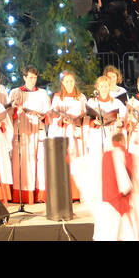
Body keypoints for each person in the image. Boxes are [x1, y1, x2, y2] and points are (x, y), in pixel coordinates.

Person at [8, 65, 50, 204]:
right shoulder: (16, 92)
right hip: (23, 129)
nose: (33, 80)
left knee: (40, 161)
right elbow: (9, 114)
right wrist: (16, 110)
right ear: (24, 77)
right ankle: (24, 195)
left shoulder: (42, 93)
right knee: (23, 162)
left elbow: (48, 113)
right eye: (30, 77)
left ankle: (40, 195)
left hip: (38, 128)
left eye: (35, 77)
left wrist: (43, 116)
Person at [49, 70, 87, 200]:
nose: (69, 83)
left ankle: (77, 193)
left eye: (71, 81)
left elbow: (86, 114)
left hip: (75, 132)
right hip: (63, 132)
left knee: (76, 160)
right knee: (64, 160)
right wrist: (61, 119)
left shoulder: (81, 97)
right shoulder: (57, 97)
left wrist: (79, 118)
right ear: (62, 83)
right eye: (66, 81)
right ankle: (64, 193)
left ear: (75, 82)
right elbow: (53, 115)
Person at [84, 75, 125, 161]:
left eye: (106, 86)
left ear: (109, 87)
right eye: (101, 86)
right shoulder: (92, 102)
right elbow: (87, 119)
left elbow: (123, 118)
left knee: (111, 160)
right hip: (96, 134)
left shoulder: (117, 102)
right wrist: (94, 122)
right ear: (97, 87)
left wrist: (120, 123)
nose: (104, 89)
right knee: (97, 160)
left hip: (111, 133)